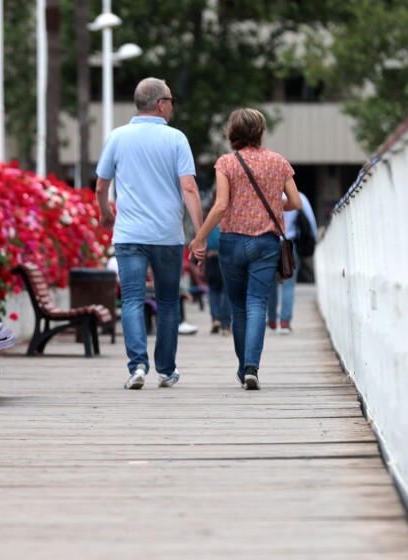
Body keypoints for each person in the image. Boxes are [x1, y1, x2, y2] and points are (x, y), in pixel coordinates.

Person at [96, 78, 203, 390]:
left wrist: (105, 212)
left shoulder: (117, 137)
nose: (172, 106)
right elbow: (189, 188)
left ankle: (138, 367)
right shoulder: (176, 139)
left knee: (131, 298)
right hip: (167, 236)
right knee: (168, 302)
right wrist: (199, 234)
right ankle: (166, 370)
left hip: (129, 235)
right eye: (170, 100)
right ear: (160, 104)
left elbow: (101, 185)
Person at [188, 108, 300, 390]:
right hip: (266, 243)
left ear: (232, 132)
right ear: (260, 131)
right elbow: (296, 202)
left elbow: (221, 205)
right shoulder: (278, 161)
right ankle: (252, 366)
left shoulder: (226, 163)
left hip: (232, 243)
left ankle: (243, 367)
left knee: (238, 307)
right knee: (257, 304)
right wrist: (275, 204)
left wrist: (199, 238)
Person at [267, 191, 318, 335]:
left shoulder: (267, 192)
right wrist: (311, 244)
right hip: (289, 244)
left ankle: (272, 320)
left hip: (268, 243)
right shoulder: (298, 196)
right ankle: (285, 322)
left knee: (270, 284)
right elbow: (311, 222)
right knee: (288, 284)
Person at [204, 224, 231, 334]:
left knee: (213, 289)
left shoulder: (210, 221)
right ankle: (226, 324)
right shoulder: (229, 219)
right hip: (227, 257)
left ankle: (215, 318)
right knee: (227, 291)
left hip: (211, 258)